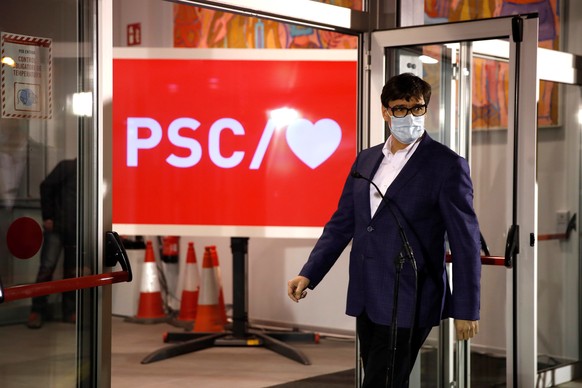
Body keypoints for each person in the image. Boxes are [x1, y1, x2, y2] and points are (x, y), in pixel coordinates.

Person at [287, 73, 481, 387]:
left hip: (410, 295)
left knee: (382, 380)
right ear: (385, 111)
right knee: (383, 377)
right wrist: (309, 272)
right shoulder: (365, 160)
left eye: (417, 108)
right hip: (367, 292)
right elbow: (341, 224)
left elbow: (466, 241)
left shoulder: (446, 165)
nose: (410, 116)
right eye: (401, 109)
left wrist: (467, 308)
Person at [27, 158, 77, 329]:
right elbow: (45, 186)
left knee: (72, 272)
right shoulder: (68, 167)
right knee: (47, 269)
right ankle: (37, 311)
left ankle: (69, 311)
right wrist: (48, 216)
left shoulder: (90, 173)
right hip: (57, 227)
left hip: (76, 230)